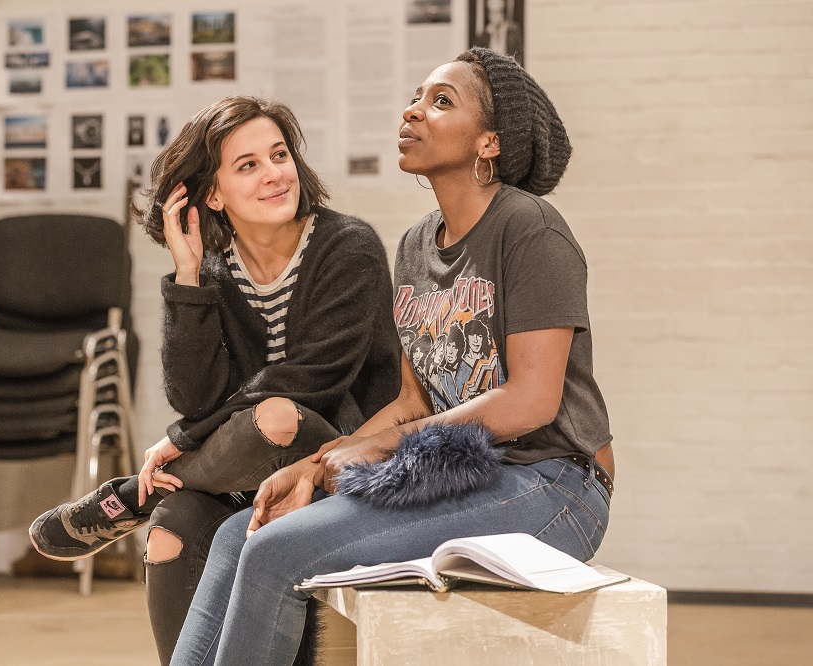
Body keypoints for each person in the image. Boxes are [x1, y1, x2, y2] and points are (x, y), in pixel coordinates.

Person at [169, 47, 614, 665]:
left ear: (489, 142)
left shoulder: (530, 229)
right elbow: (413, 402)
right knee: (235, 537)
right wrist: (316, 465)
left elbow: (530, 400)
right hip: (454, 473)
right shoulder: (413, 247)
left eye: (440, 101)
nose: (412, 111)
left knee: (276, 554)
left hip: (554, 482)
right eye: (416, 96)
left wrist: (369, 449)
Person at [28, 96, 401, 664]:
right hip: (241, 463)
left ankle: (132, 495)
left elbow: (315, 379)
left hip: (343, 451)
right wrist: (186, 274)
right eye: (247, 164)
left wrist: (181, 440)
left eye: (279, 155)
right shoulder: (214, 270)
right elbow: (194, 395)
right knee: (169, 530)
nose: (275, 173)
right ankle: (153, 506)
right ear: (213, 194)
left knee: (277, 412)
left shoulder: (348, 248)